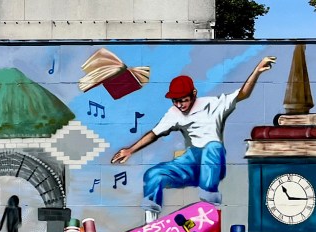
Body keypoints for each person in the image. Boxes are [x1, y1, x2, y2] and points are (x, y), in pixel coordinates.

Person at [111, 56, 277, 222]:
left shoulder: (214, 104)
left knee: (211, 148)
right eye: (176, 101)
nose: (180, 105)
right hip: (190, 163)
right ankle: (150, 222)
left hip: (212, 163)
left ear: (194, 94)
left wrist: (257, 70)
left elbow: (243, 93)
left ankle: (209, 206)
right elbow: (154, 134)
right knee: (153, 174)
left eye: (183, 100)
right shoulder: (173, 113)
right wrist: (130, 150)